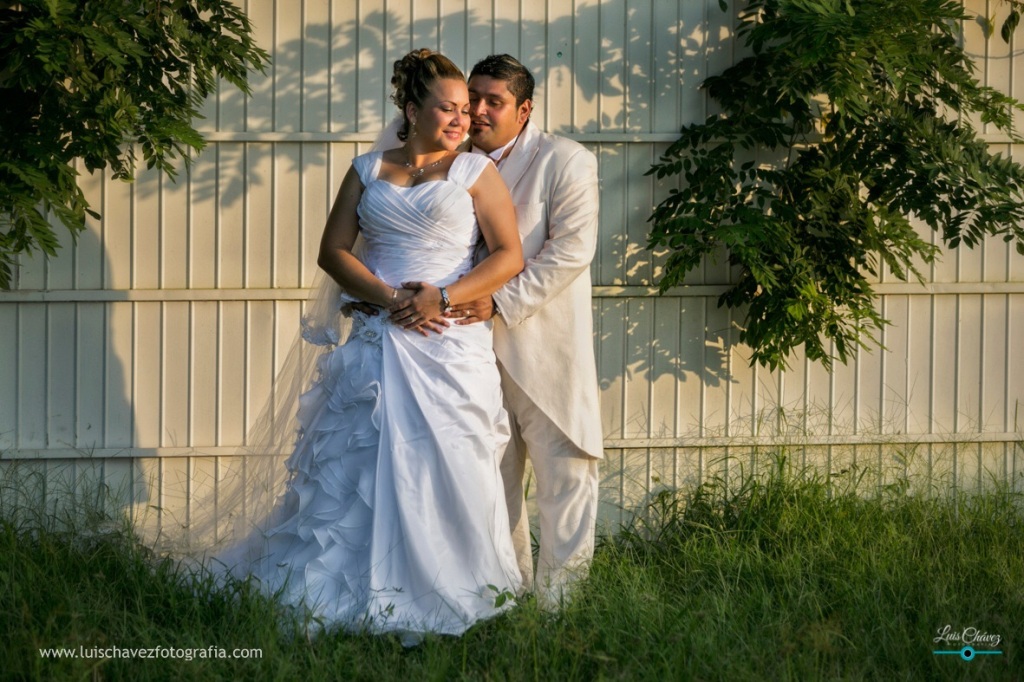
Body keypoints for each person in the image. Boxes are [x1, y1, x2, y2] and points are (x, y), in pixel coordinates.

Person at [213, 49, 524, 641]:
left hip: (446, 347)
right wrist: (388, 299)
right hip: (377, 342)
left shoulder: (477, 174)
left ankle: (452, 589)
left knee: (447, 465)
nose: (463, 120)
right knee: (356, 468)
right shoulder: (367, 169)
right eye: (448, 109)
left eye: (466, 110)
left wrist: (443, 298)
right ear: (411, 109)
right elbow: (333, 252)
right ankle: (340, 589)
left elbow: (509, 255)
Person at [449, 54, 604, 607]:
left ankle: (560, 608)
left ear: (525, 109)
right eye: (474, 99)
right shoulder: (452, 162)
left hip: (544, 349)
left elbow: (572, 250)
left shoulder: (565, 160)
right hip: (468, 354)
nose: (479, 111)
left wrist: (501, 302)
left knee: (565, 481)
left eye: (494, 101)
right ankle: (505, 598)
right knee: (493, 485)